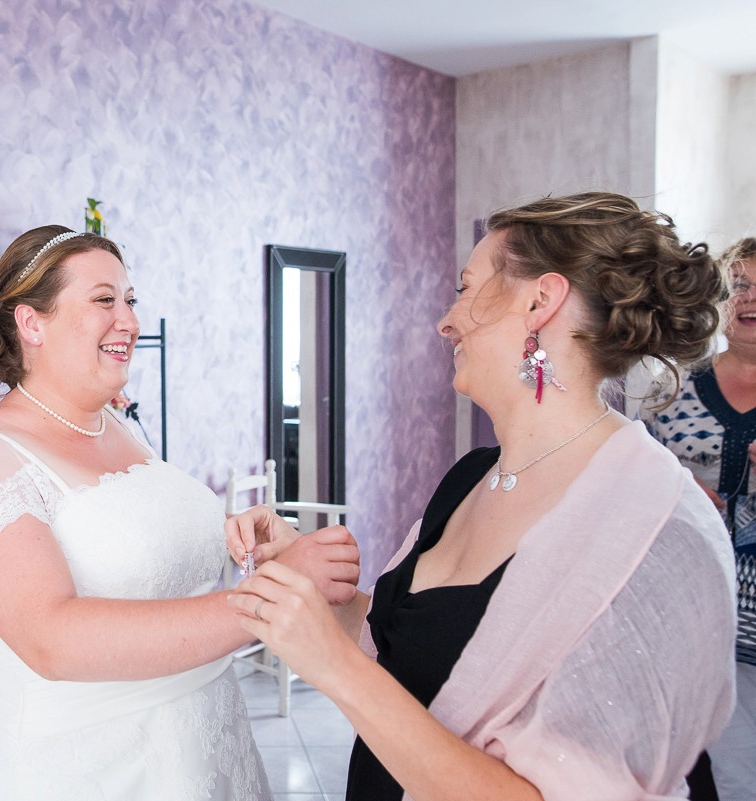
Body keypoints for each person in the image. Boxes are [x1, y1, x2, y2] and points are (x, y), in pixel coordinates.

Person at [227, 192, 738, 801]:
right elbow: (416, 644)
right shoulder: (470, 477)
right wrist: (308, 579)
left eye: (466, 288)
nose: (448, 319)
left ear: (540, 301)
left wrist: (336, 670)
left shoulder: (659, 530)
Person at [0, 225, 362, 800]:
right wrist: (270, 598)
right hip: (92, 772)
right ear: (32, 323)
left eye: (130, 300)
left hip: (208, 752)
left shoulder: (118, 426)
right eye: (104, 300)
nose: (128, 320)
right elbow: (51, 639)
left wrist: (259, 545)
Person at [641, 236, 756, 801]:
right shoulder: (672, 389)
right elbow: (625, 482)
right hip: (684, 613)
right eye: (740, 286)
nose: (751, 300)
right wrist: (669, 482)